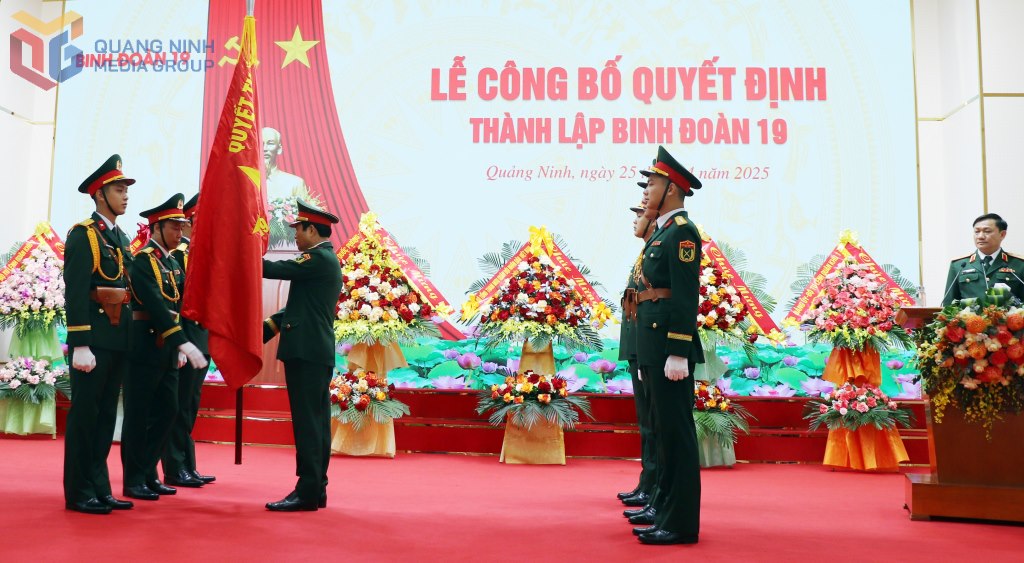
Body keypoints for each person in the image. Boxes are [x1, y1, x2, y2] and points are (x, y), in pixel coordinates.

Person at [631, 146, 704, 545]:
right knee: (665, 430)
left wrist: (677, 349)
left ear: (672, 189)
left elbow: (684, 294)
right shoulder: (663, 231)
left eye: (654, 182)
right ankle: (665, 507)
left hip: (668, 347)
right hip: (655, 345)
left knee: (676, 434)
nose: (648, 188)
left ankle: (680, 522)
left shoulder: (682, 233)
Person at [121, 194, 208, 501]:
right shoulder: (143, 260)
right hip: (144, 346)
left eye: (181, 226)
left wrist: (181, 344)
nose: (179, 233)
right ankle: (134, 478)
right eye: (173, 227)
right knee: (139, 414)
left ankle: (148, 472)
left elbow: (182, 304)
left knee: (168, 409)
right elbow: (155, 305)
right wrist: (181, 341)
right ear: (156, 228)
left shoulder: (171, 261)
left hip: (168, 349)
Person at [63, 155, 137, 514]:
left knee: (107, 417)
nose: (125, 196)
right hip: (92, 343)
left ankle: (100, 486)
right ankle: (78, 492)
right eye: (118, 189)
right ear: (98, 194)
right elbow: (76, 292)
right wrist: (80, 344)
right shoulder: (83, 235)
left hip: (116, 341)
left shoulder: (120, 237)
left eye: (125, 190)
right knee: (85, 418)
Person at [261, 199, 343, 511]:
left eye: (299, 229)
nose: (295, 235)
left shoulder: (317, 258)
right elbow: (298, 309)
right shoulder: (322, 260)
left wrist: (240, 253)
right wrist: (265, 330)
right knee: (315, 422)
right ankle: (316, 488)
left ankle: (308, 490)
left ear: (312, 229)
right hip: (313, 350)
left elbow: (272, 268)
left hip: (307, 352)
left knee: (309, 423)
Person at [160, 194, 215, 488]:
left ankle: (187, 464)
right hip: (187, 338)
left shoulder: (199, 254)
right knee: (179, 405)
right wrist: (179, 344)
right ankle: (174, 467)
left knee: (190, 404)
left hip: (200, 336)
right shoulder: (181, 256)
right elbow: (177, 301)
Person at [618, 187, 659, 510]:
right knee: (645, 422)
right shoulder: (643, 254)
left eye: (640, 215)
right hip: (637, 347)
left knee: (654, 422)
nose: (635, 220)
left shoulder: (655, 254)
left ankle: (654, 486)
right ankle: (647, 482)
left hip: (649, 348)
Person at [942, 213, 1024, 305]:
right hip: (969, 319)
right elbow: (948, 304)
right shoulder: (959, 265)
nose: (980, 236)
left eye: (987, 231)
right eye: (977, 232)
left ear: (1002, 234)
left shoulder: (1019, 264)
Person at [263, 127, 310, 201]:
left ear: (279, 149)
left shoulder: (295, 183)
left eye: (270, 143)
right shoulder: (244, 182)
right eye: (260, 143)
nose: (264, 148)